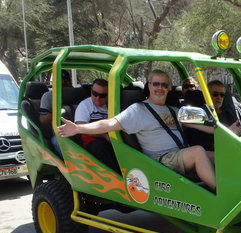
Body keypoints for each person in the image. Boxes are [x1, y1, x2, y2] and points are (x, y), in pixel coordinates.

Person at [58, 70, 216, 191]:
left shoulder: (175, 110)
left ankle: (234, 191)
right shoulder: (138, 110)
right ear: (149, 86)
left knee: (216, 156)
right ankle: (219, 197)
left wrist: (229, 131)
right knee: (198, 152)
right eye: (156, 84)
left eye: (164, 85)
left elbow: (208, 125)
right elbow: (109, 124)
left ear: (169, 88)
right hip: (159, 162)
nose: (159, 88)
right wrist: (78, 128)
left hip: (179, 155)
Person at [74, 78, 120, 172]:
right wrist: (104, 136)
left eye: (102, 96)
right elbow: (80, 127)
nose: (97, 98)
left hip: (113, 138)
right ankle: (116, 176)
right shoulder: (85, 105)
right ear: (91, 90)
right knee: (102, 148)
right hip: (93, 141)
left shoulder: (113, 105)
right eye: (94, 94)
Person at [39, 70, 72, 151]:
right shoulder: (49, 96)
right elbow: (43, 119)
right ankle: (66, 163)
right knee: (57, 141)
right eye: (60, 82)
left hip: (79, 127)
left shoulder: (76, 93)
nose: (63, 85)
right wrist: (61, 110)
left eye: (66, 82)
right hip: (60, 132)